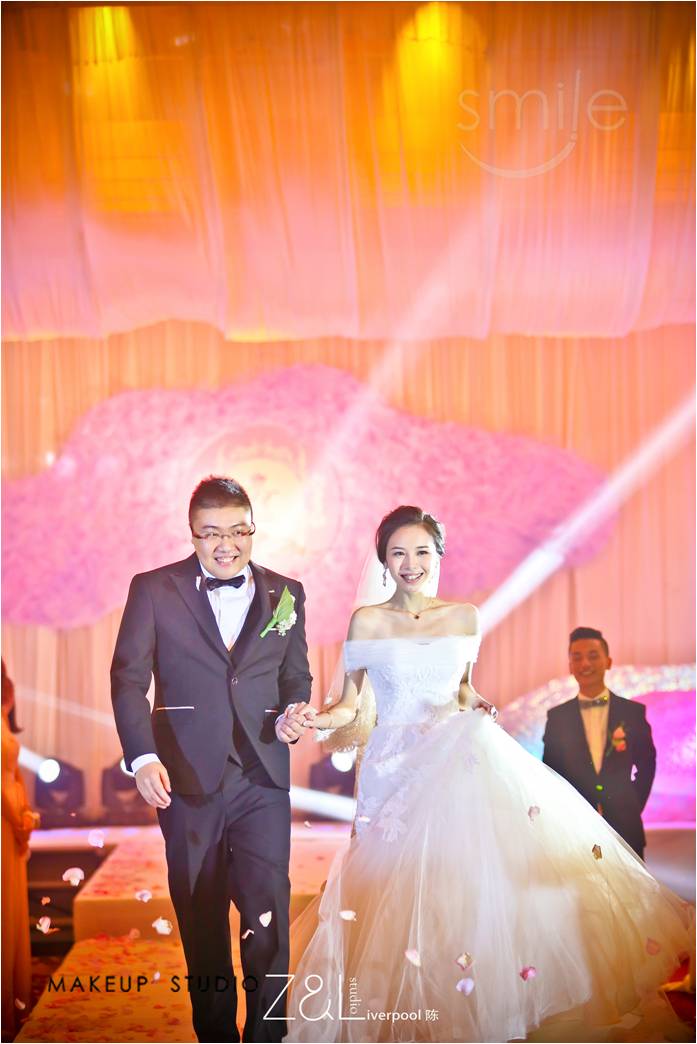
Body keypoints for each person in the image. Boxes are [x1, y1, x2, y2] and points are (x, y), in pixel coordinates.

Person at [280, 506, 692, 1044]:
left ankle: (472, 1010)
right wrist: (315, 717)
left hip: (457, 760)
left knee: (463, 885)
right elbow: (349, 706)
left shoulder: (464, 617)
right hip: (392, 767)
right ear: (383, 559)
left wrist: (477, 702)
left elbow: (461, 689)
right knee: (388, 890)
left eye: (421, 551)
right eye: (398, 553)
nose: (410, 563)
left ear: (439, 556)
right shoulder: (368, 621)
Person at [111, 477, 313, 1043]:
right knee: (201, 919)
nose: (227, 544)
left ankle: (270, 1036)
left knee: (268, 916)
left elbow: (295, 676)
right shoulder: (154, 589)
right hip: (185, 778)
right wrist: (142, 756)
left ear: (253, 530)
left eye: (238, 531)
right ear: (192, 533)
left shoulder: (286, 592)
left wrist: (292, 713)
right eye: (212, 533)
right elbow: (128, 679)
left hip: (262, 777)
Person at [542, 626, 656, 859]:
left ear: (608, 662)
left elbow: (647, 764)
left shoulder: (632, 713)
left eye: (593, 656)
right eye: (577, 657)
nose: (585, 663)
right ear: (570, 666)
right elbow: (550, 773)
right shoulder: (557, 718)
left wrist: (633, 805)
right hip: (575, 828)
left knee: (629, 884)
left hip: (626, 827)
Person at [1, 660, 37, 1041]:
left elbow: (11, 775)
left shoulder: (6, 690)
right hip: (5, 819)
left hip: (11, 815)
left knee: (11, 908)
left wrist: (24, 812)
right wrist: (19, 820)